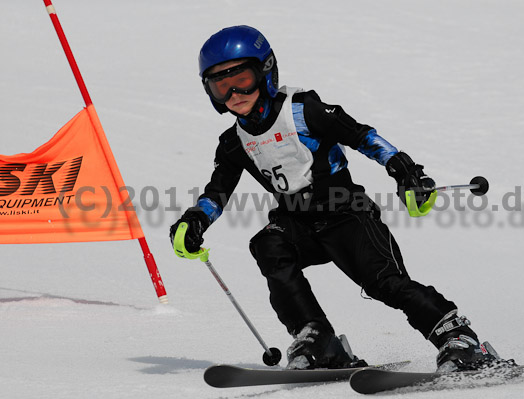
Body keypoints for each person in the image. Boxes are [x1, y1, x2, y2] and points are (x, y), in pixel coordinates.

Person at [170, 25, 501, 372]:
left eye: (242, 79)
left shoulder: (303, 110)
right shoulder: (234, 142)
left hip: (346, 213)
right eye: (221, 86)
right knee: (269, 245)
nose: (234, 93)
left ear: (266, 71)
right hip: (296, 220)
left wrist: (404, 171)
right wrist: (195, 221)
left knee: (383, 283)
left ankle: (457, 338)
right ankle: (318, 338)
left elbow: (361, 136)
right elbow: (217, 191)